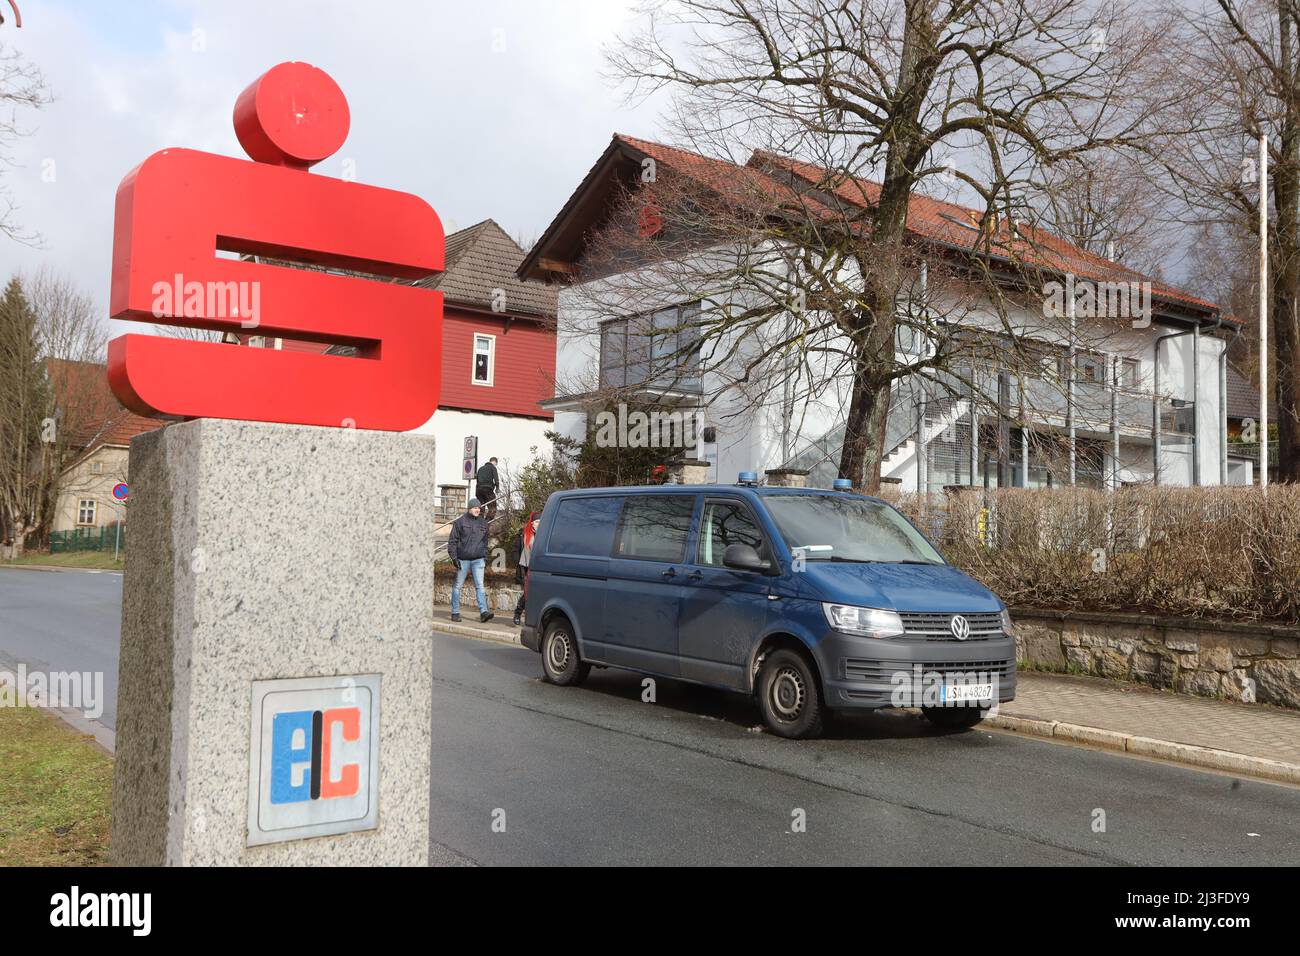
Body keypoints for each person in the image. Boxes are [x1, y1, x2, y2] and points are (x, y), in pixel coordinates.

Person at [448, 498, 493, 623]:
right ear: (469, 508)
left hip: (478, 560)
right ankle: (455, 612)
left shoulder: (483, 523)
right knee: (457, 586)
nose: (477, 510)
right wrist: (454, 558)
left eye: (478, 508)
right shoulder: (460, 522)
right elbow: (452, 541)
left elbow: (485, 542)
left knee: (480, 586)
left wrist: (485, 557)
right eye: (474, 508)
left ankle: (484, 612)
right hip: (463, 560)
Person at [512, 512, 540, 627]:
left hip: (539, 568)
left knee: (537, 593)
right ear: (532, 523)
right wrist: (518, 563)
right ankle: (518, 613)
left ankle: (533, 619)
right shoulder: (523, 534)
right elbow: (515, 550)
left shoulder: (544, 534)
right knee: (528, 592)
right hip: (526, 567)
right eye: (537, 522)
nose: (539, 524)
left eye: (541, 522)